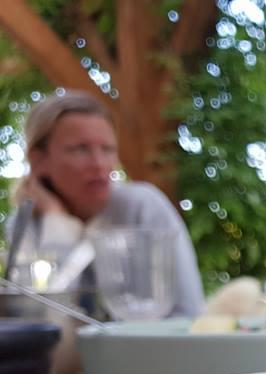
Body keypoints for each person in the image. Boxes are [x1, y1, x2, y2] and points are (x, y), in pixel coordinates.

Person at [4, 90, 204, 317]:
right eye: (80, 149)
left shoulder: (141, 205)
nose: (99, 164)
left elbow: (188, 311)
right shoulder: (26, 224)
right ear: (38, 159)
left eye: (108, 149)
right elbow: (41, 317)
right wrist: (57, 223)